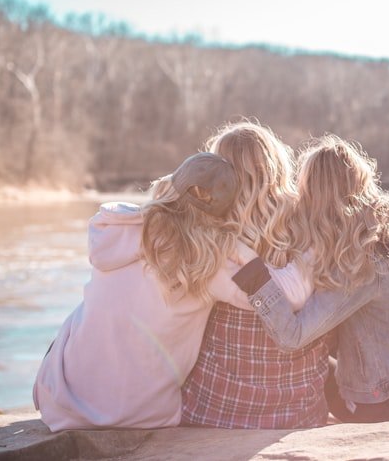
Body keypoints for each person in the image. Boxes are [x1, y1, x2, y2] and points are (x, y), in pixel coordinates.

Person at [33, 153, 253, 431]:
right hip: (146, 415)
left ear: (171, 188)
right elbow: (267, 300)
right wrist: (242, 249)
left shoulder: (118, 228)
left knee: (80, 316)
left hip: (62, 405)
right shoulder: (212, 261)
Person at [235, 135, 389, 423]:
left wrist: (255, 276)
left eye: (303, 190)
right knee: (321, 358)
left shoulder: (363, 263)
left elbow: (292, 337)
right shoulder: (386, 223)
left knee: (304, 365)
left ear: (316, 198)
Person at [181, 121, 330, 429]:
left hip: (215, 409)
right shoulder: (311, 222)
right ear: (276, 166)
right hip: (296, 412)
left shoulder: (207, 231)